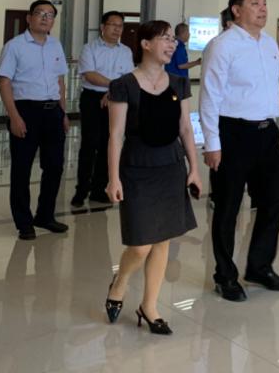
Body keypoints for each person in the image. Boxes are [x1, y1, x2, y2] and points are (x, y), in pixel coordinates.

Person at [104, 20, 201, 335]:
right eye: (164, 39)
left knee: (163, 240)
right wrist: (113, 178)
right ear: (145, 44)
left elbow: (186, 128)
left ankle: (149, 306)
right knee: (141, 244)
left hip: (170, 166)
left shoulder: (179, 83)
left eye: (173, 39)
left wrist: (194, 168)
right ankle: (120, 282)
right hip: (137, 167)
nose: (172, 44)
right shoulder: (123, 85)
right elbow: (115, 136)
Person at [199, 0, 279, 301]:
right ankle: (225, 275)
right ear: (236, 10)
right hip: (233, 133)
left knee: (274, 200)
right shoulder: (221, 46)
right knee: (228, 207)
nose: (263, 9)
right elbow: (209, 96)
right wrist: (212, 143)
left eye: (264, 3)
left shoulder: (269, 43)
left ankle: (260, 267)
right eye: (254, 3)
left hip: (267, 132)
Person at [0, 0, 70, 241]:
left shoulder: (55, 45)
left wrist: (63, 112)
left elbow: (60, 81)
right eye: (40, 13)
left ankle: (45, 216)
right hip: (26, 111)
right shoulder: (14, 46)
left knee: (54, 167)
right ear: (29, 18)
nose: (45, 18)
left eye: (50, 15)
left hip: (53, 112)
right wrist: (14, 117)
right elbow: (4, 82)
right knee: (22, 169)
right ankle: (24, 222)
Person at [71, 11, 133, 208]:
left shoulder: (126, 51)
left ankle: (99, 189)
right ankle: (81, 190)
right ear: (102, 27)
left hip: (116, 100)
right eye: (113, 25)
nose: (117, 29)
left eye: (120, 25)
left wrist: (113, 91)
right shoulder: (89, 48)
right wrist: (113, 87)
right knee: (89, 145)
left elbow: (128, 78)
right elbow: (90, 74)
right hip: (92, 99)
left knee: (109, 143)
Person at [202, 9, 234, 210]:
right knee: (221, 160)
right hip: (224, 115)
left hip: (246, 119)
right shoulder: (217, 45)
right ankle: (218, 195)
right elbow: (210, 92)